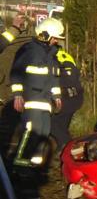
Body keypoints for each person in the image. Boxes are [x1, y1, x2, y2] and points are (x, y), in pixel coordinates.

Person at [10, 18, 62, 168]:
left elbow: (53, 78)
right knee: (32, 131)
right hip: (31, 99)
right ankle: (18, 163)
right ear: (45, 35)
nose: (57, 41)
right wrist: (18, 95)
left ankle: (34, 165)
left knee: (44, 132)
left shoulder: (52, 55)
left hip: (45, 102)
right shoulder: (29, 50)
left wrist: (57, 97)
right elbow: (16, 73)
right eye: (55, 37)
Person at [50, 43, 83, 152]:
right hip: (75, 97)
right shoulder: (65, 56)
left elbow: (64, 80)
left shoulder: (56, 59)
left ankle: (71, 151)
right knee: (62, 128)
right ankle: (65, 152)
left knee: (51, 124)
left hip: (67, 98)